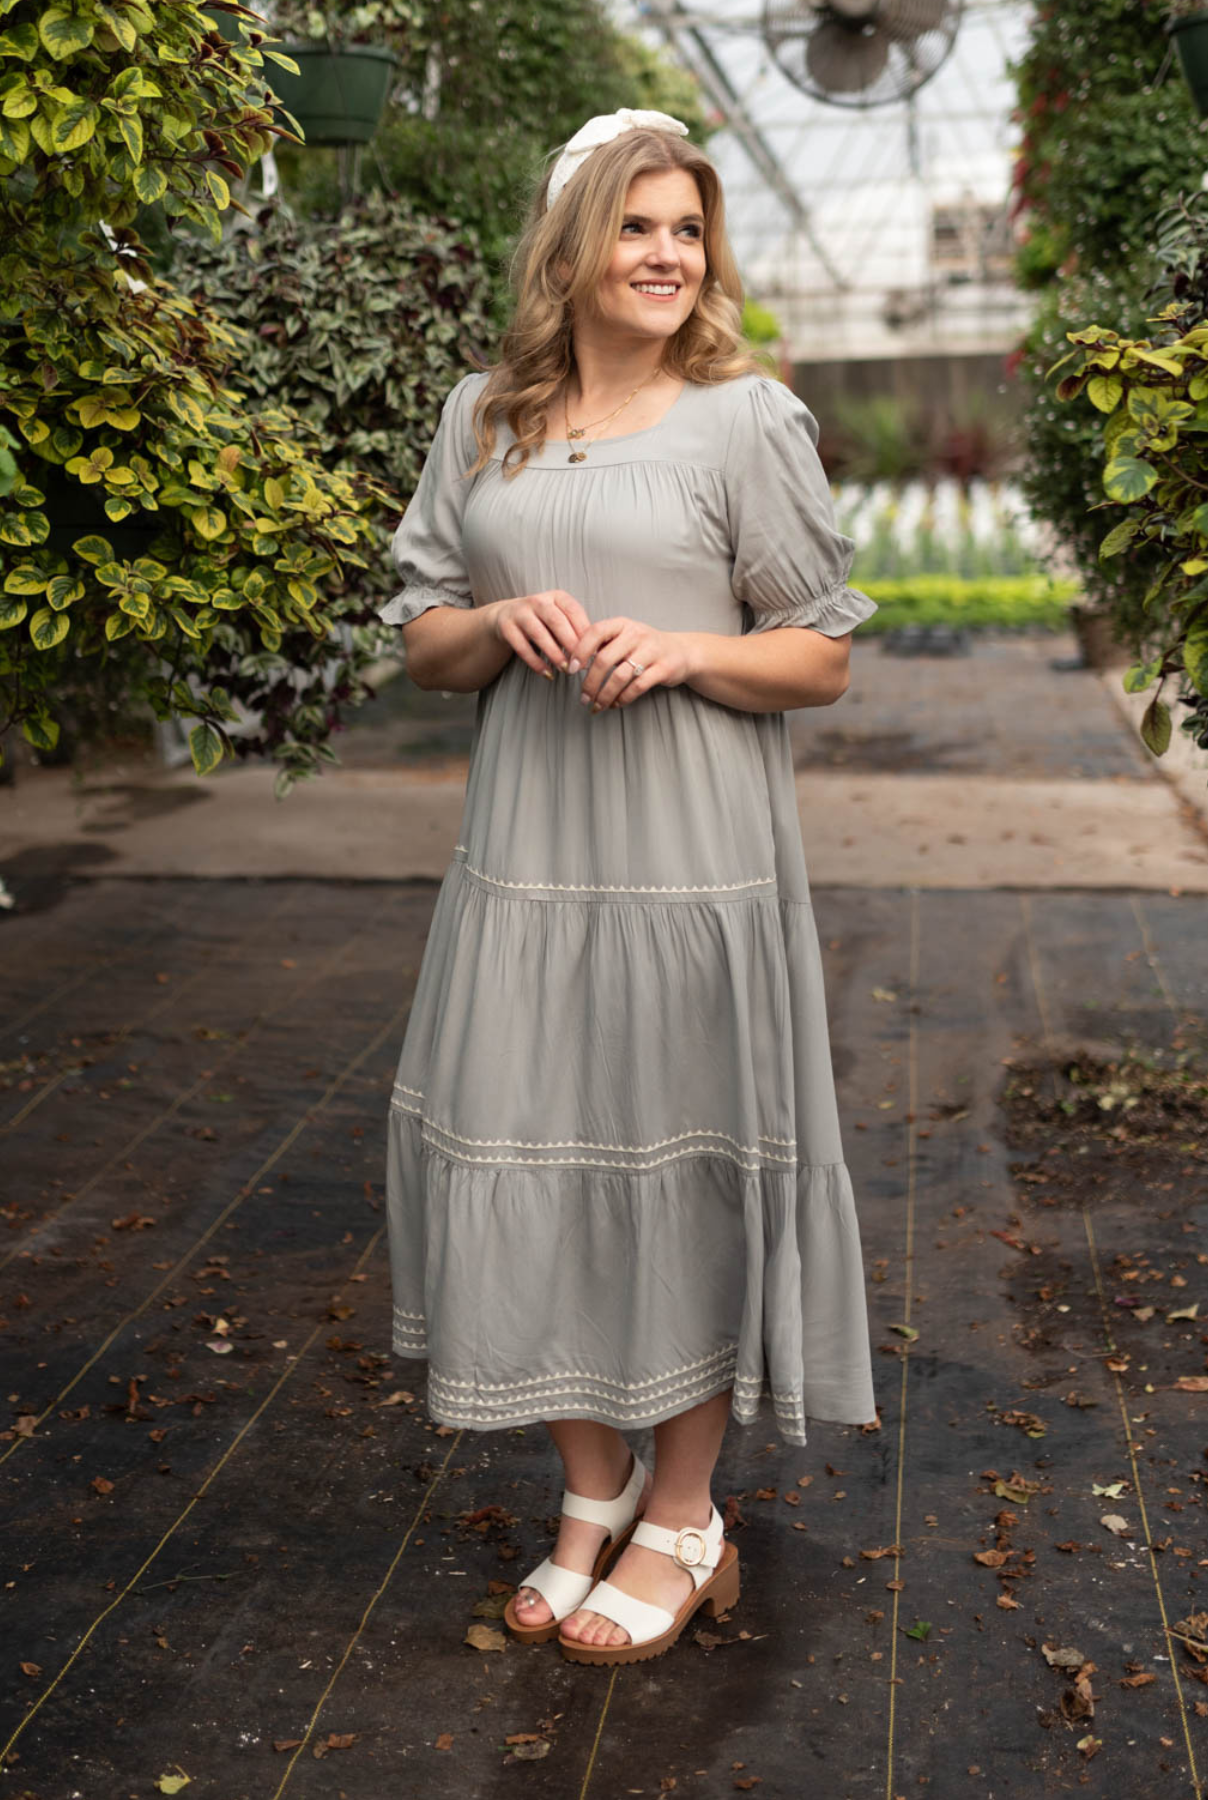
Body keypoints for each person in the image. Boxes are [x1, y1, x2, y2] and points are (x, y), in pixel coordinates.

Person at [378, 106, 879, 1668]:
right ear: (573, 246)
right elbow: (425, 630)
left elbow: (821, 654)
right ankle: (584, 1491)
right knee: (527, 1159)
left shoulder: (746, 419)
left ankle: (682, 1509)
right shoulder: (483, 416)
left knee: (679, 1174)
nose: (667, 256)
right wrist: (503, 618)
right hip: (524, 868)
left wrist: (686, 648)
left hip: (689, 872)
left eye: (687, 231)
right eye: (636, 226)